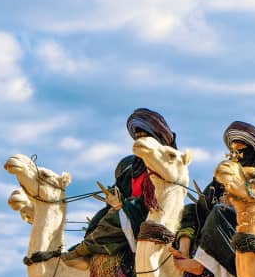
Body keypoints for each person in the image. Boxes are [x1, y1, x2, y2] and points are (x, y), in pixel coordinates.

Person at [172, 121, 255, 277]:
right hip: (226, 215)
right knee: (189, 210)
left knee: (220, 211)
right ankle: (184, 251)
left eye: (240, 148)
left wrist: (234, 201)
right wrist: (209, 198)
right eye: (233, 149)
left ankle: (200, 263)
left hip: (250, 222)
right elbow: (209, 194)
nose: (236, 153)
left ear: (251, 149)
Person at [62, 108, 177, 268]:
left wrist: (124, 205)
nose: (140, 142)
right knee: (102, 216)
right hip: (129, 211)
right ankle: (86, 254)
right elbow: (119, 189)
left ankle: (80, 251)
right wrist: (114, 199)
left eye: (144, 138)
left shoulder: (168, 165)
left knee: (114, 219)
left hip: (152, 214)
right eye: (137, 138)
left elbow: (163, 199)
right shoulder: (134, 168)